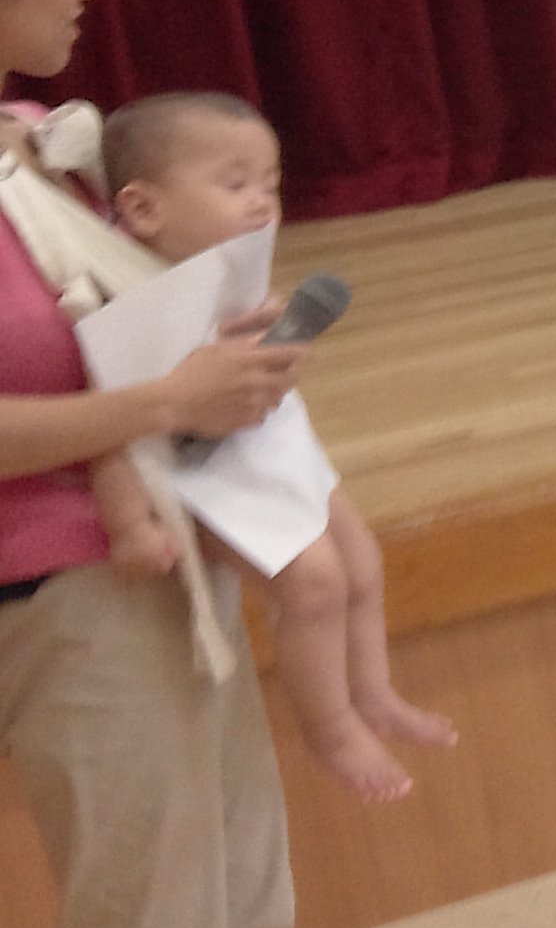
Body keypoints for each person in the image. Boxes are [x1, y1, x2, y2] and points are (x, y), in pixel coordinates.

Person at [0, 0, 456, 928]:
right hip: (64, 603)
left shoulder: (36, 148)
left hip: (167, 575)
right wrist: (159, 403)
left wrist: (220, 381)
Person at [78, 93, 456, 803]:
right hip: (196, 467)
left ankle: (374, 693)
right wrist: (129, 524)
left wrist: (276, 336)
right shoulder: (120, 299)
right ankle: (330, 727)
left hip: (270, 439)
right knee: (315, 582)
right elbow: (110, 423)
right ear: (143, 208)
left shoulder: (230, 276)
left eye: (269, 185)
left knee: (361, 558)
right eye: (235, 184)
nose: (261, 203)